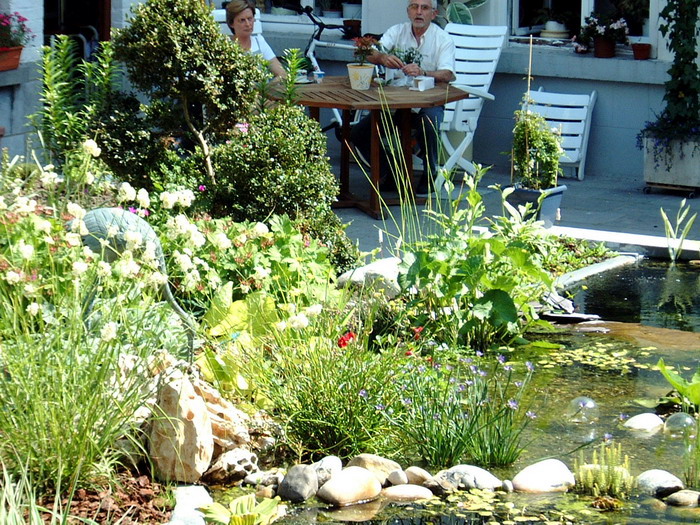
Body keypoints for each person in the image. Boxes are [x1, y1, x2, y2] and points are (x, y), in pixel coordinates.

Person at [350, 0, 455, 194]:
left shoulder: (442, 39)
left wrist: (423, 72)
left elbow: (448, 74)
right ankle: (391, 172)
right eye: (414, 7)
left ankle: (430, 172)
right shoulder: (397, 31)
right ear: (408, 11)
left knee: (429, 121)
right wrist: (382, 58)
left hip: (428, 103)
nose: (419, 12)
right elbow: (365, 52)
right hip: (396, 105)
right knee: (358, 134)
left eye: (424, 8)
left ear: (433, 14)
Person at [226, 0, 286, 78]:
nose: (248, 24)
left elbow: (282, 74)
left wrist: (267, 85)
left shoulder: (259, 42)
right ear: (231, 23)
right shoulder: (226, 46)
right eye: (242, 20)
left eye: (250, 19)